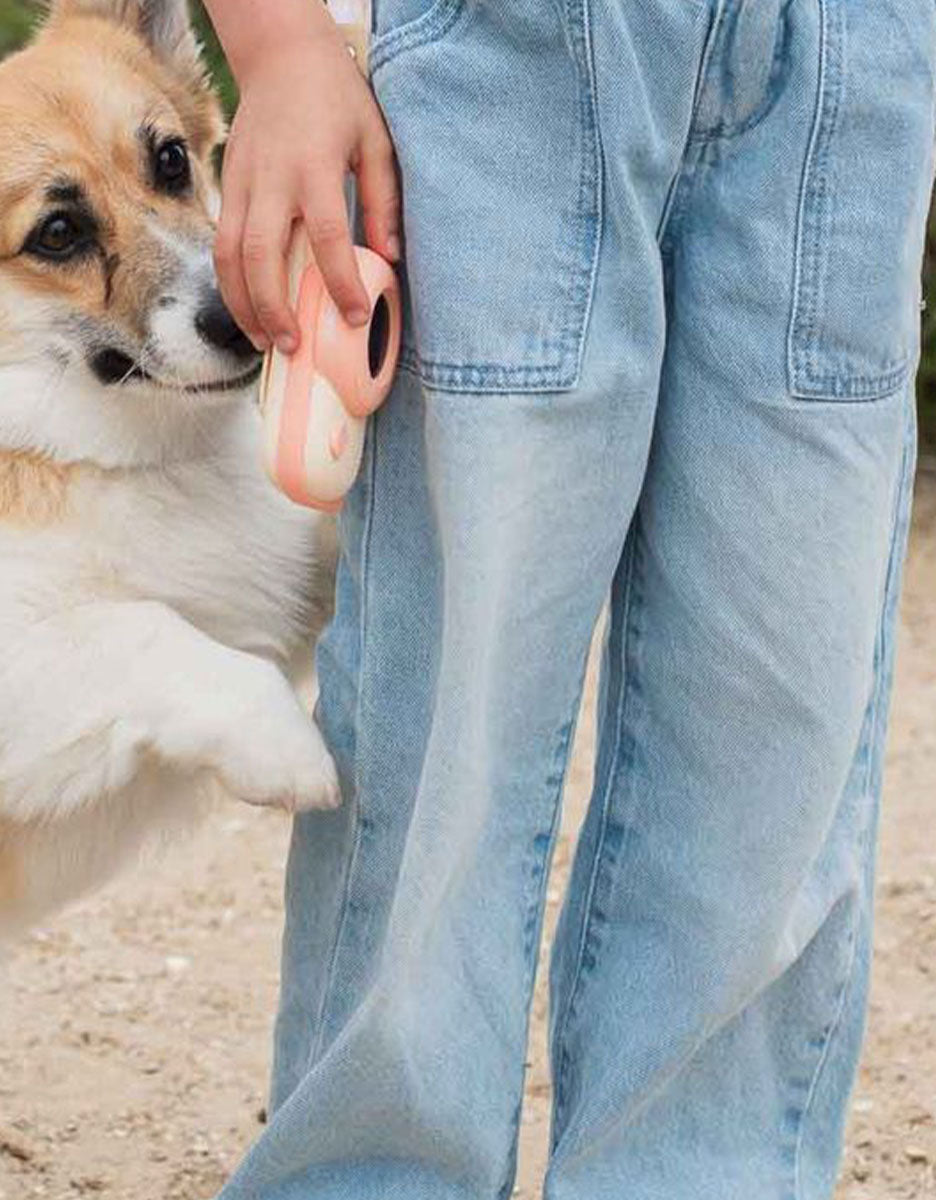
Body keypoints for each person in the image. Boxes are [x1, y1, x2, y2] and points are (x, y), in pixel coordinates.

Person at [201, 0, 936, 1195]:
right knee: (446, 729)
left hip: (855, 68)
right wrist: (280, 45)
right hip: (523, 59)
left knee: (776, 750)